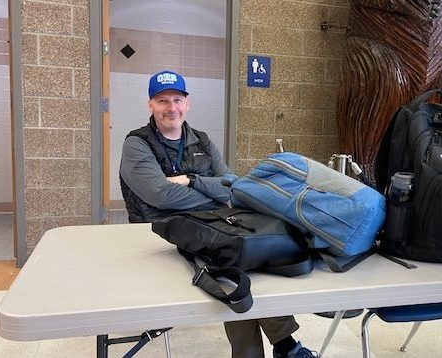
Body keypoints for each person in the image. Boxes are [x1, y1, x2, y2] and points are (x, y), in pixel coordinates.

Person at [119, 70, 316, 358]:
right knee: (230, 275)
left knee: (245, 262)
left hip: (210, 225)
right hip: (161, 231)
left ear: (187, 103)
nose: (171, 108)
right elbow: (160, 195)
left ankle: (285, 346)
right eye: (162, 101)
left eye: (177, 99)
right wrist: (209, 191)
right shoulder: (136, 144)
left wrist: (192, 180)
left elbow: (231, 187)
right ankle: (286, 346)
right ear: (150, 104)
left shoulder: (201, 140)